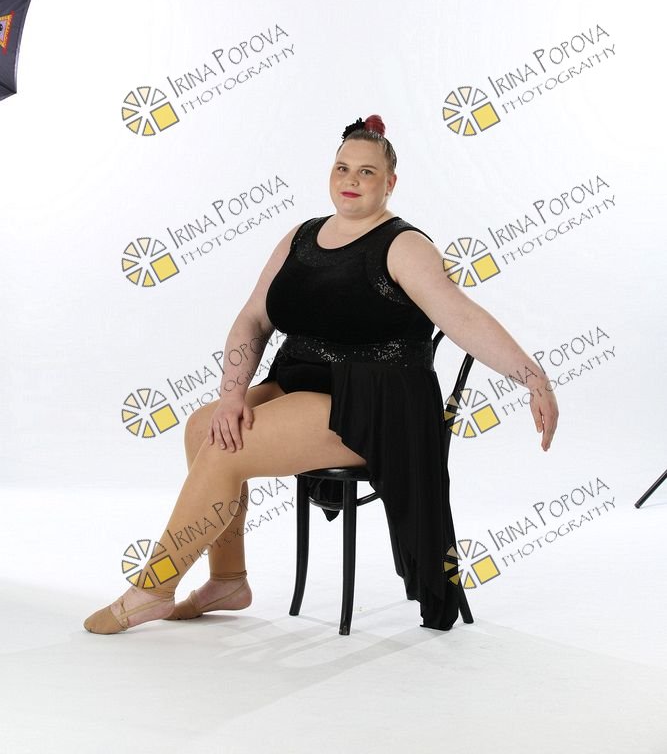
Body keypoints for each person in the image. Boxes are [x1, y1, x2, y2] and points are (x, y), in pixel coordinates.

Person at [84, 115, 558, 635]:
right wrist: (232, 394)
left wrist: (533, 377)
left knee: (226, 448)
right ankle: (227, 581)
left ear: (390, 182)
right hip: (304, 381)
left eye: (366, 172)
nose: (351, 180)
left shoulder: (403, 245)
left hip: (377, 404)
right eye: (342, 168)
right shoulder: (302, 237)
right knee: (204, 427)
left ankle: (152, 588)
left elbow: (462, 317)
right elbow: (253, 318)